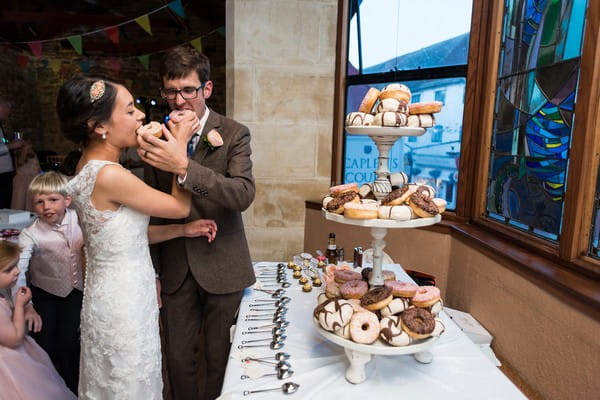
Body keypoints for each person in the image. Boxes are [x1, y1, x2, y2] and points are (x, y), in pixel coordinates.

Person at [56, 76, 218, 399]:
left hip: (111, 295)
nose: (141, 116)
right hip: (124, 304)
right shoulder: (110, 175)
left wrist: (183, 232)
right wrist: (180, 150)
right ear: (98, 126)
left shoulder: (89, 168)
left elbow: (125, 235)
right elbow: (179, 206)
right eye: (129, 111)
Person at [138, 45, 256, 400]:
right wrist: (155, 272)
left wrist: (185, 167)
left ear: (206, 89)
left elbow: (243, 194)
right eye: (171, 91)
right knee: (176, 358)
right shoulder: (154, 139)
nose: (179, 100)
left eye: (188, 90)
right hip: (175, 265)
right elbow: (152, 210)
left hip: (223, 260)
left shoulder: (233, 133)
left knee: (219, 358)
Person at [14, 171, 83, 393]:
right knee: (45, 344)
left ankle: (73, 390)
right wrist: (28, 306)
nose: (47, 207)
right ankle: (48, 391)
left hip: (77, 291)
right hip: (45, 294)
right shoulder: (30, 234)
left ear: (67, 200)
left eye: (53, 200)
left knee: (70, 344)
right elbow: (19, 272)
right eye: (39, 202)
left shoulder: (80, 219)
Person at [0, 240, 77, 399]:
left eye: (16, 266)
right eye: (9, 269)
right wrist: (20, 306)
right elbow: (13, 339)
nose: (17, 272)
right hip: (9, 365)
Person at [0, 95, 23, 209]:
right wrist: (10, 146)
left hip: (5, 175)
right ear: (1, 108)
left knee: (6, 206)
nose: (9, 113)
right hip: (1, 175)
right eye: (8, 108)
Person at [10, 140, 42, 211]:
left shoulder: (33, 154)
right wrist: (25, 150)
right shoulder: (19, 154)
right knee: (20, 202)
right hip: (23, 180)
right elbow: (20, 162)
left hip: (33, 179)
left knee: (32, 201)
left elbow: (38, 167)